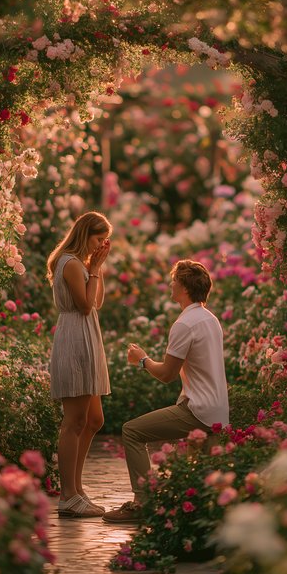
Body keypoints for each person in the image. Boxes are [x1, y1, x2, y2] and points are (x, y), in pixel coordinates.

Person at [102, 259, 229, 523]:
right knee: (203, 489)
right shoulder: (210, 319)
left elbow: (167, 375)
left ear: (183, 287)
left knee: (132, 431)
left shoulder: (185, 323)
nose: (170, 284)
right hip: (218, 409)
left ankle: (142, 503)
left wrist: (141, 359)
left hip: (198, 410)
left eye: (174, 280)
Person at [47, 211, 112, 518]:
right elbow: (85, 306)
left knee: (94, 419)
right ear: (85, 234)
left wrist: (96, 268)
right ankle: (67, 494)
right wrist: (95, 268)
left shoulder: (81, 264)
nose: (102, 244)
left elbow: (96, 302)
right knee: (74, 421)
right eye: (99, 238)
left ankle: (77, 487)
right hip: (75, 338)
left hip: (88, 337)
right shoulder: (70, 263)